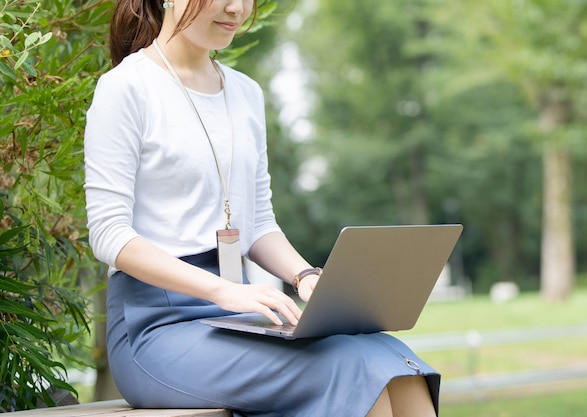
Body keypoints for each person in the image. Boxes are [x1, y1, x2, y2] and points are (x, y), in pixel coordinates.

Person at [83, 1, 440, 416]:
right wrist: (223, 290)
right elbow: (109, 234)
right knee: (352, 367)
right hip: (158, 329)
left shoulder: (246, 93)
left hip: (242, 312)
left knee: (396, 362)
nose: (237, 7)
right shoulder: (126, 88)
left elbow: (259, 224)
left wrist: (305, 276)